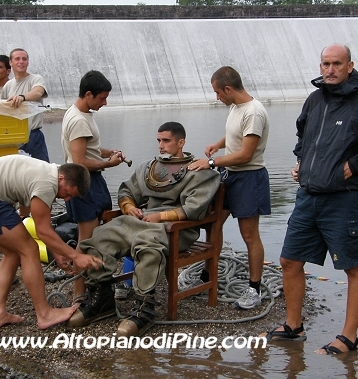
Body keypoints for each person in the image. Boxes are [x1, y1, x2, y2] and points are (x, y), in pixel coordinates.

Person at [261, 44, 358, 354]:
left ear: (350, 66)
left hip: (345, 200)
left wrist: (356, 165)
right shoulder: (314, 100)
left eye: (337, 64)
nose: (330, 69)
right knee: (289, 261)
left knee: (353, 267)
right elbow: (304, 137)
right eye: (326, 63)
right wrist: (302, 163)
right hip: (308, 197)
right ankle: (293, 326)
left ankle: (348, 338)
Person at [67, 122, 220, 336]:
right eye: (158, 140)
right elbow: (127, 190)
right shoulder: (149, 168)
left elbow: (193, 208)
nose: (161, 145)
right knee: (100, 237)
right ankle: (102, 300)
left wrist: (161, 216)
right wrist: (129, 207)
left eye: (166, 141)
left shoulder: (198, 171)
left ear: (181, 142)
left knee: (146, 244)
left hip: (175, 229)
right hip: (141, 222)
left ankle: (144, 308)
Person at [0, 155, 103, 329]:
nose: (66, 199)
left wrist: (57, 252)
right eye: (67, 193)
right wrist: (75, 256)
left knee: (13, 254)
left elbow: (37, 220)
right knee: (29, 250)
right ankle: (44, 314)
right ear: (62, 178)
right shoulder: (47, 184)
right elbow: (42, 230)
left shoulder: (52, 173)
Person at [188, 66, 271, 310]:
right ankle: (207, 275)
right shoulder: (236, 107)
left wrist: (210, 162)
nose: (217, 98)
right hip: (229, 176)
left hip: (249, 178)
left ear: (228, 89)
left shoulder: (254, 112)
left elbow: (245, 154)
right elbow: (236, 135)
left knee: (249, 235)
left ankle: (253, 289)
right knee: (213, 224)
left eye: (217, 93)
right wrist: (218, 144)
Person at [60, 70, 126, 302]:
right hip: (83, 182)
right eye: (101, 98)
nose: (105, 103)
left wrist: (109, 152)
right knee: (86, 240)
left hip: (89, 181)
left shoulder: (80, 113)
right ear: (88, 94)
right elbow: (79, 162)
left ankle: (93, 284)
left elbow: (88, 147)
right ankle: (80, 293)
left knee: (93, 237)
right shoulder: (78, 120)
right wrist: (109, 163)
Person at [1, 48, 49, 162]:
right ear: (10, 62)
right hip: (13, 136)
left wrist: (22, 97)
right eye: (17, 59)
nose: (21, 62)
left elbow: (38, 92)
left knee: (42, 170)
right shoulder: (8, 85)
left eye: (24, 59)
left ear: (28, 62)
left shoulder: (36, 79)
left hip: (33, 136)